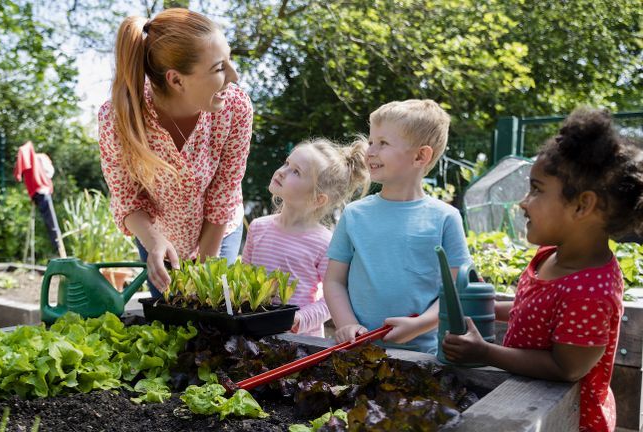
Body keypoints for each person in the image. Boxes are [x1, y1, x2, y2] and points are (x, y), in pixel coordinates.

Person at [442, 108, 643, 432]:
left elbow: (565, 368)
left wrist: (485, 352)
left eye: (536, 189)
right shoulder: (551, 256)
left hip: (564, 419)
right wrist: (490, 309)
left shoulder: (591, 291)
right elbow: (533, 310)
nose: (523, 202)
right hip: (526, 404)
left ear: (582, 205)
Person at [98, 9, 252, 297]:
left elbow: (224, 192)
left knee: (211, 310)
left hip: (218, 231)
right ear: (176, 80)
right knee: (169, 319)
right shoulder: (119, 119)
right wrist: (154, 241)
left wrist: (204, 270)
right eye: (219, 68)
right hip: (157, 237)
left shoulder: (235, 108)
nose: (234, 75)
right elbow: (126, 198)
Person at [324, 100, 471, 353]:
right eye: (371, 142)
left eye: (383, 143)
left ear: (420, 156)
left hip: (424, 357)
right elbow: (334, 281)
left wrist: (421, 324)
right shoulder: (354, 214)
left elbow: (458, 290)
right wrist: (347, 324)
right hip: (358, 351)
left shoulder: (445, 218)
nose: (370, 151)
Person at [242, 138, 370, 337]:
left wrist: (299, 319)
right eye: (286, 163)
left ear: (318, 199)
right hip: (254, 336)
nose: (282, 171)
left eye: (296, 172)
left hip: (298, 343)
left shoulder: (325, 243)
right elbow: (243, 278)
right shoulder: (258, 227)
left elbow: (332, 300)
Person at [13, 141, 65, 257]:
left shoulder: (30, 158)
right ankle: (60, 251)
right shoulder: (37, 157)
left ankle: (59, 250)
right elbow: (49, 173)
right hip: (42, 191)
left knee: (51, 224)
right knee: (52, 224)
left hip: (37, 192)